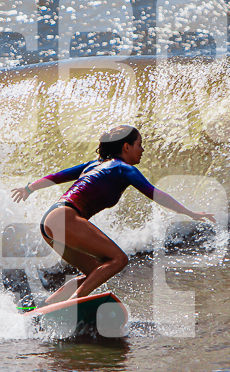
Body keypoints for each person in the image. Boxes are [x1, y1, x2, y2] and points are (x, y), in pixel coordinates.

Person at [11, 125, 215, 305]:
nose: (142, 150)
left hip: (50, 220)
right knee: (119, 259)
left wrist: (29, 188)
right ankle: (74, 304)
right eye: (139, 145)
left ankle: (46, 307)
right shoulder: (124, 168)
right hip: (65, 218)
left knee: (95, 271)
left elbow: (57, 176)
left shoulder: (94, 165)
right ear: (126, 147)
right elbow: (156, 194)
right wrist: (189, 212)